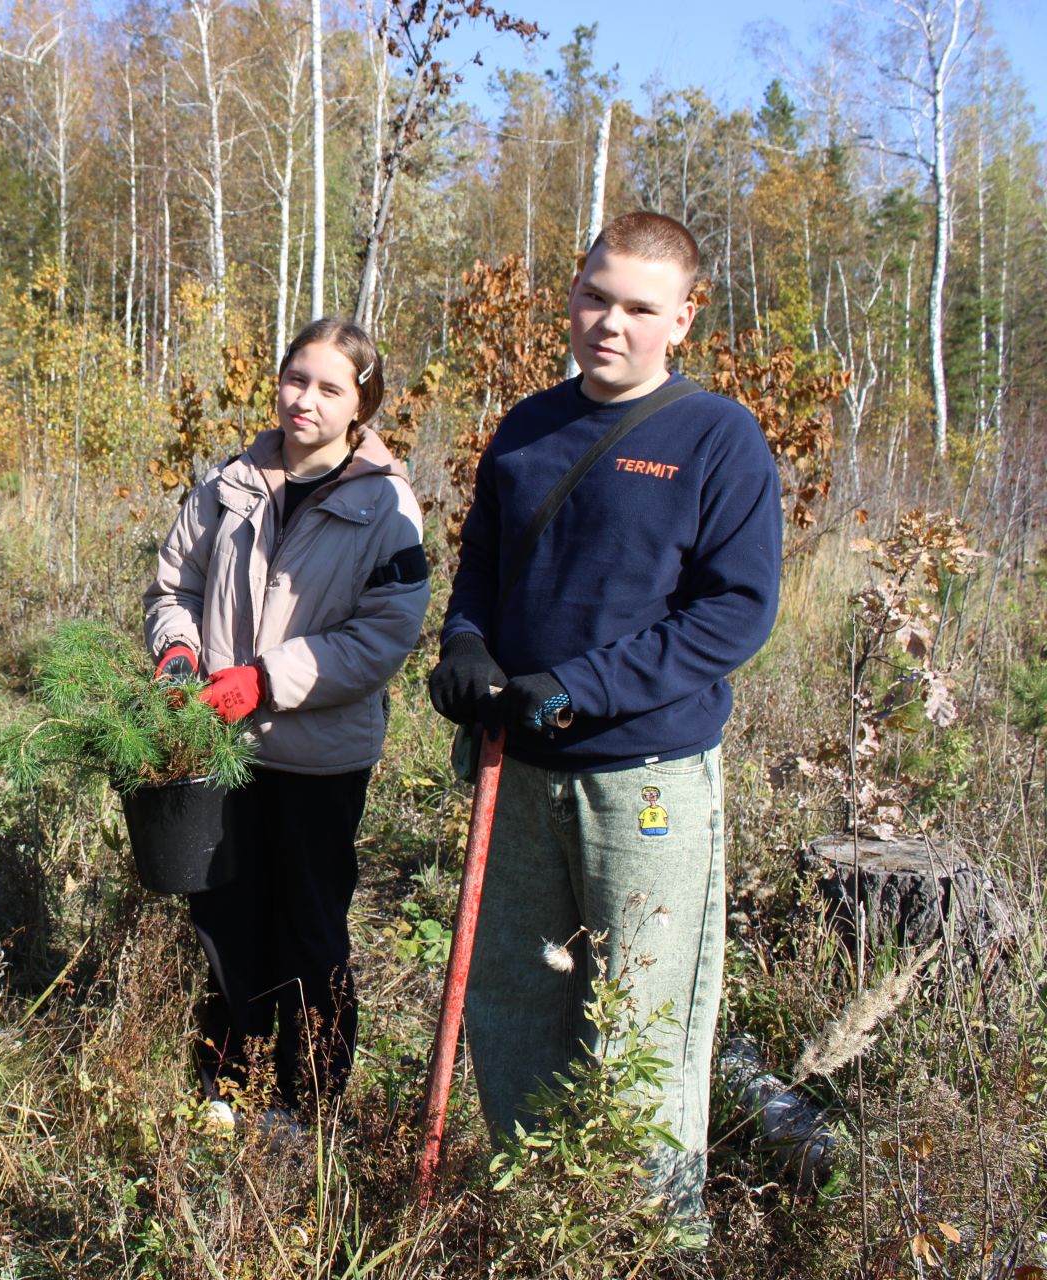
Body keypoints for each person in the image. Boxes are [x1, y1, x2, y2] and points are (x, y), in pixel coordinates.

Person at [428, 211, 782, 1233]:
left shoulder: (717, 437)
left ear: (684, 315)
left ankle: (654, 1243)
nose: (609, 323)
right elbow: (481, 576)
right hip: (517, 769)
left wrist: (585, 685)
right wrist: (464, 646)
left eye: (637, 306)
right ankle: (547, 1225)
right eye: (595, 296)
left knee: (642, 1022)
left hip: (648, 777)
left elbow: (733, 612)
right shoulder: (527, 427)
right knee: (512, 1006)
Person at [144, 317, 430, 1128]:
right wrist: (178, 658)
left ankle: (307, 1105)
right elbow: (174, 589)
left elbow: (384, 635)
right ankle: (226, 1087)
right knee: (224, 919)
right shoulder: (229, 483)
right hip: (218, 749)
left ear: (361, 404)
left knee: (308, 925)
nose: (305, 399)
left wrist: (265, 680)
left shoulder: (386, 506)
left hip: (318, 759)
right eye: (295, 379)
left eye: (330, 387)